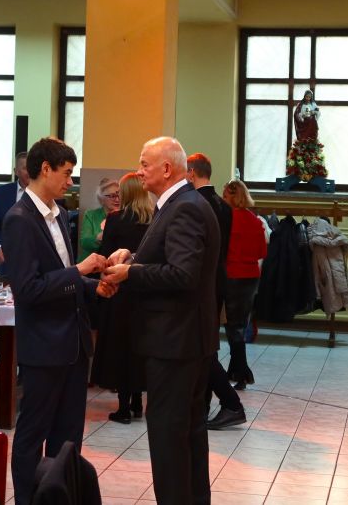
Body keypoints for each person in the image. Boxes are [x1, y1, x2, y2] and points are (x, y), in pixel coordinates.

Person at [103, 136, 220, 505]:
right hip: (185, 339)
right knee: (187, 434)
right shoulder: (179, 203)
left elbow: (183, 274)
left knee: (170, 437)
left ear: (166, 169)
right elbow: (170, 258)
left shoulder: (184, 208)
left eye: (144, 164)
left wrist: (131, 273)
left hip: (176, 342)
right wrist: (133, 257)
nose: (139, 171)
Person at [1, 137, 116, 505]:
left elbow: (62, 277)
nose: (70, 181)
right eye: (66, 173)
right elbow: (28, 289)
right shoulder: (19, 219)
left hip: (73, 343)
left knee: (68, 439)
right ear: (45, 169)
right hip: (44, 345)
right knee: (32, 435)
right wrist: (79, 271)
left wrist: (93, 287)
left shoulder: (59, 213)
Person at [186, 153, 246, 430]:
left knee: (202, 348)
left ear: (191, 172)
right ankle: (204, 405)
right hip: (218, 280)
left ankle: (230, 403)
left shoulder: (195, 203)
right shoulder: (223, 205)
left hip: (201, 284)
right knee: (206, 344)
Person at [91, 172, 152, 423]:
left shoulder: (116, 219)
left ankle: (124, 407)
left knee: (120, 348)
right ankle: (137, 402)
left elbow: (107, 255)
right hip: (144, 291)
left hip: (120, 292)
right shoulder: (154, 219)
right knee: (139, 347)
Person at [222, 179, 267, 390]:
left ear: (232, 197)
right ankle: (235, 370)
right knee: (240, 324)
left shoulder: (226, 220)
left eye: (224, 196)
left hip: (232, 275)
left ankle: (242, 373)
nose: (222, 199)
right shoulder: (255, 221)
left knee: (232, 327)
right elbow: (261, 252)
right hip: (251, 277)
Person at [0, 151, 30, 275]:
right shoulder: (2, 193)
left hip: (34, 259)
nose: (29, 172)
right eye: (25, 168)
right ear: (16, 171)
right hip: (8, 258)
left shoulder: (43, 194)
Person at [78, 177, 120, 261]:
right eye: (112, 196)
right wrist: (101, 236)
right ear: (101, 199)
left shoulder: (126, 216)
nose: (117, 199)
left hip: (116, 263)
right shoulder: (91, 215)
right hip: (91, 263)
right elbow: (84, 242)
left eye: (119, 195)